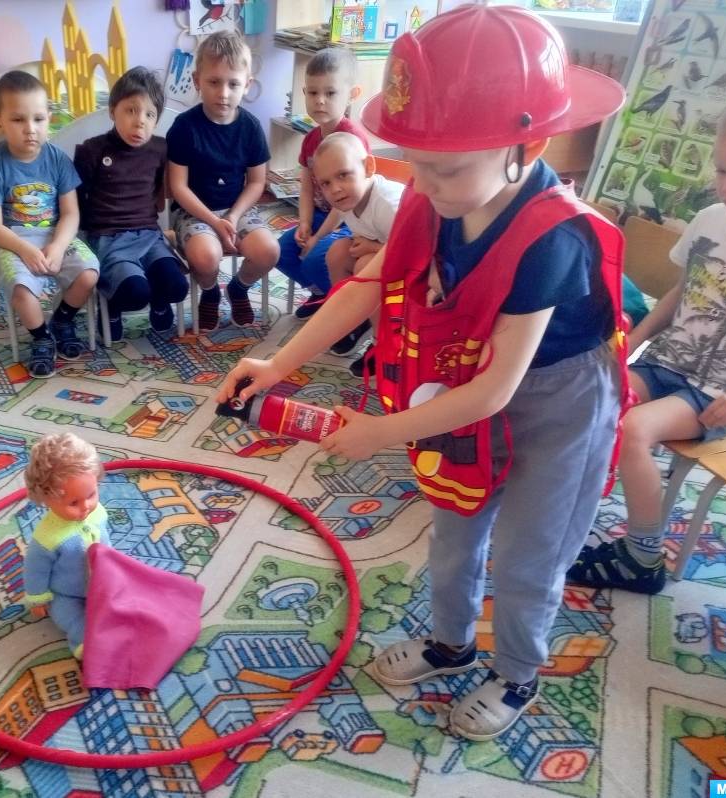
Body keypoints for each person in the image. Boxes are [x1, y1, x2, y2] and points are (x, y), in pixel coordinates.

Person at [216, 5, 629, 741]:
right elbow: (369, 285)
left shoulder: (552, 238)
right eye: (418, 161)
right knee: (455, 522)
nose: (426, 183)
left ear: (525, 145)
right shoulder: (434, 197)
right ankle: (450, 643)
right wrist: (278, 363)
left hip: (559, 399)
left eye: (446, 167)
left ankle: (517, 674)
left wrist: (381, 432)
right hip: (470, 378)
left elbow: (497, 390)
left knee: (529, 552)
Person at [568, 69, 726, 595]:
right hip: (664, 361)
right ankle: (569, 501)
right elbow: (681, 293)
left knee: (632, 428)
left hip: (718, 392)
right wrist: (632, 341)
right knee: (591, 395)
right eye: (722, 169)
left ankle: (642, 557)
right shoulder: (710, 219)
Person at [0, 70, 100, 378]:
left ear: (49, 118)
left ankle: (62, 321)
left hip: (55, 235)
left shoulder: (57, 159)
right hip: (11, 240)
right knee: (21, 290)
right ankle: (41, 337)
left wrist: (57, 245)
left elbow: (70, 214)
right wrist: (25, 250)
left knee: (89, 273)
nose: (30, 129)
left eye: (39, 119)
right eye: (18, 120)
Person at [166, 30, 279, 331]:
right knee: (206, 257)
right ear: (197, 81)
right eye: (214, 82)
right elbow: (178, 187)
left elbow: (256, 182)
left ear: (247, 85)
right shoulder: (184, 127)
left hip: (237, 210)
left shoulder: (251, 127)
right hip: (194, 213)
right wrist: (215, 222)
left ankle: (238, 288)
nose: (224, 93)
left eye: (233, 84)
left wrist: (232, 216)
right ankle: (210, 291)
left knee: (269, 251)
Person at [74, 66, 189, 342]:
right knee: (135, 293)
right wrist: (86, 240)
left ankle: (159, 300)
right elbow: (77, 198)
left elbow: (160, 192)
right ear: (113, 110)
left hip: (149, 235)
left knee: (176, 286)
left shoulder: (160, 149)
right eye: (131, 111)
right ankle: (111, 306)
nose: (140, 122)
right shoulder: (92, 150)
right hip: (108, 238)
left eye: (150, 115)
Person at [274, 47, 371, 320]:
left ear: (352, 94)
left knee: (317, 258)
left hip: (350, 220)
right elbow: (306, 186)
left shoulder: (352, 139)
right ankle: (321, 294)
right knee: (281, 251)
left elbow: (346, 202)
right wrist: (305, 224)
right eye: (313, 93)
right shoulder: (310, 138)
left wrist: (318, 238)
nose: (320, 101)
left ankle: (347, 310)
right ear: (304, 93)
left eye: (330, 93)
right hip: (320, 215)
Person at [309, 131, 404, 368]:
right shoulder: (348, 198)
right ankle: (354, 320)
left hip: (417, 269)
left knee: (364, 265)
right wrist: (317, 236)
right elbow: (338, 218)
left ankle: (381, 342)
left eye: (343, 175)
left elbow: (412, 253)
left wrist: (372, 247)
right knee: (337, 252)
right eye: (326, 183)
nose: (335, 189)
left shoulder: (387, 204)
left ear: (368, 167)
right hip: (383, 251)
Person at [23, 432, 108, 658]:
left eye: (91, 494)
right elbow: (35, 570)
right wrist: (37, 597)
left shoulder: (99, 513)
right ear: (46, 498)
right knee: (70, 617)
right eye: (73, 502)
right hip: (66, 594)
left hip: (102, 580)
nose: (86, 506)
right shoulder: (47, 538)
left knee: (129, 598)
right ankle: (82, 642)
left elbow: (105, 542)